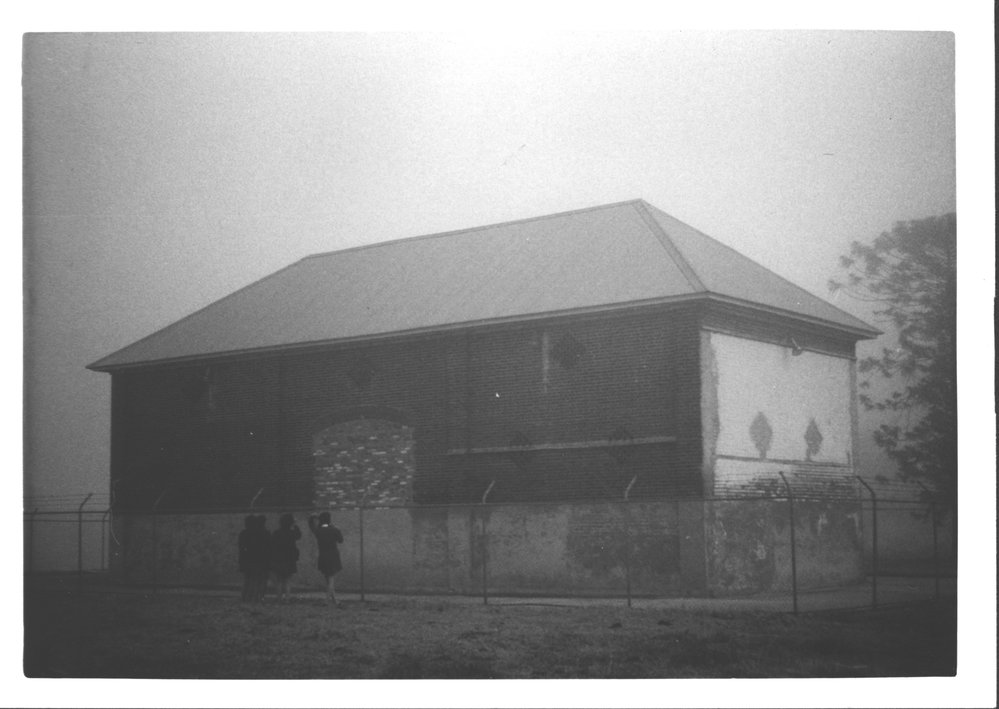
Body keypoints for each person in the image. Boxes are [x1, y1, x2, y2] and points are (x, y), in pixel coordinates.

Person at [308, 511, 344, 606]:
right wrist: (337, 529)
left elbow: (312, 527)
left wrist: (313, 517)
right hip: (333, 555)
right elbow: (341, 540)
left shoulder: (318, 531)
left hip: (323, 555)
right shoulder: (334, 530)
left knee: (328, 579)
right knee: (331, 579)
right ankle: (327, 600)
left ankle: (334, 600)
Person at [270, 513, 302, 603]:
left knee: (279, 580)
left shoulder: (276, 533)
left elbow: (272, 545)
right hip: (290, 558)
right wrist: (295, 525)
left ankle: (279, 598)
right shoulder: (292, 533)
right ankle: (287, 598)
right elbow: (299, 535)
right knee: (288, 580)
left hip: (279, 559)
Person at [238, 515, 270, 602]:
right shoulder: (261, 533)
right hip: (259, 560)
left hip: (246, 559)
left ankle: (245, 597)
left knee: (248, 579)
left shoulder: (243, 533)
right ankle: (256, 597)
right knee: (257, 579)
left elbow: (241, 547)